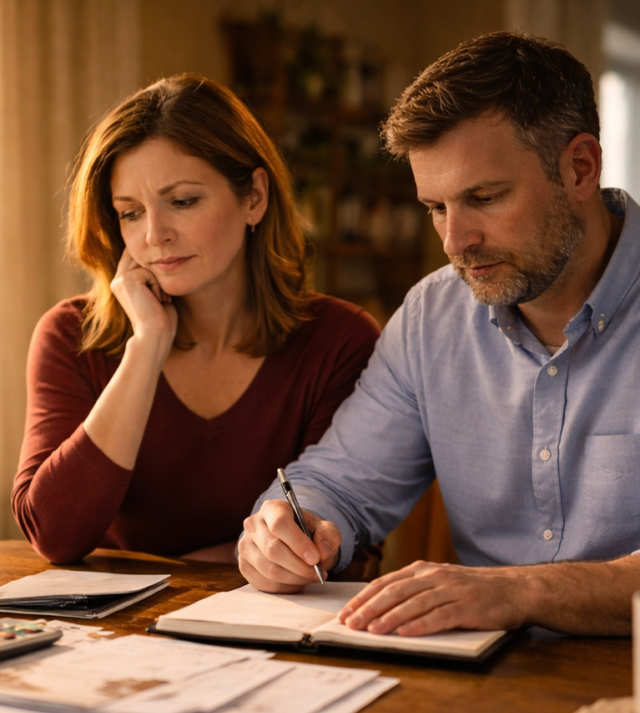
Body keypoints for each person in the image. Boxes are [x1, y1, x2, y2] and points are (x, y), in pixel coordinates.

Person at [239, 32, 640, 638]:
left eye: (484, 197)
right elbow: (339, 480)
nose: (454, 242)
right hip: (483, 693)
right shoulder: (433, 315)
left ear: (580, 168)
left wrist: (524, 591)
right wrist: (293, 529)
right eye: (435, 207)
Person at [12, 74, 379, 565]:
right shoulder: (72, 336)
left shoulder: (340, 341)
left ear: (254, 197)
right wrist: (145, 347)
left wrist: (174, 577)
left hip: (267, 632)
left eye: (182, 202)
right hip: (110, 636)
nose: (154, 235)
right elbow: (56, 535)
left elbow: (339, 545)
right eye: (130, 213)